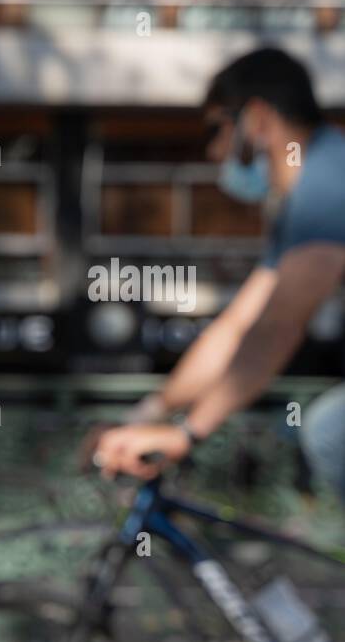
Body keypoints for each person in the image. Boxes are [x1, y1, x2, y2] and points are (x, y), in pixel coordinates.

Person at [93, 47, 345, 490]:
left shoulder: (326, 186)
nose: (214, 151)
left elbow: (277, 330)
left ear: (258, 120)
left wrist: (188, 433)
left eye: (219, 129)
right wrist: (149, 415)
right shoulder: (309, 197)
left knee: (328, 435)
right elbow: (237, 328)